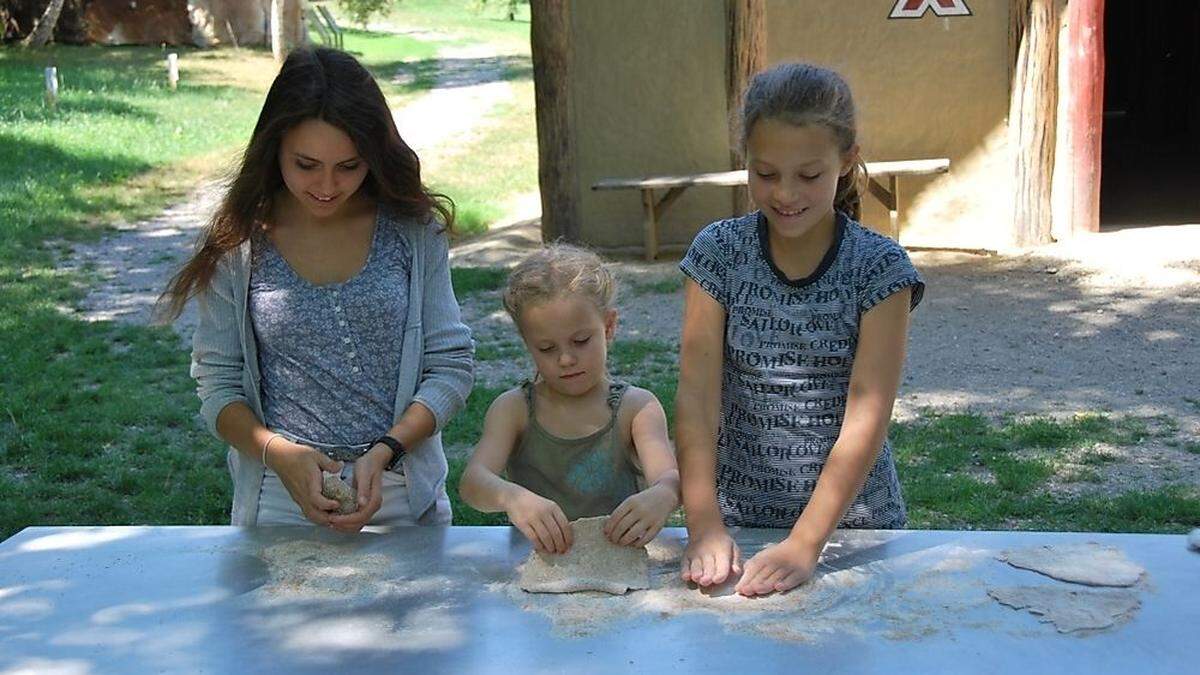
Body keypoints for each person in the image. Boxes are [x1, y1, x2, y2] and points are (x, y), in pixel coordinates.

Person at [157, 47, 473, 531]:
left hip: (405, 496)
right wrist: (278, 454)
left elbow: (450, 365)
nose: (327, 185)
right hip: (279, 496)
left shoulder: (413, 230)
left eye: (349, 166)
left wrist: (388, 449)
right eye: (306, 164)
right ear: (273, 148)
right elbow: (218, 388)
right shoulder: (238, 242)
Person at [675, 62, 924, 596]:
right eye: (765, 174)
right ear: (745, 159)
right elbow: (696, 399)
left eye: (808, 175)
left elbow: (868, 414)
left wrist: (806, 542)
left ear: (846, 160)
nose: (785, 193)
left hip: (855, 530)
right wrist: (703, 523)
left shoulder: (880, 270)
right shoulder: (717, 255)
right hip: (738, 524)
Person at [459, 244, 680, 554]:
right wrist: (511, 498)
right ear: (527, 343)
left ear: (609, 326)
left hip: (619, 561)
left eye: (580, 341)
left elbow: (669, 477)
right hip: (537, 562)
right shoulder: (514, 410)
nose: (565, 359)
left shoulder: (636, 408)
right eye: (546, 348)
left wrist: (665, 494)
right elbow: (472, 482)